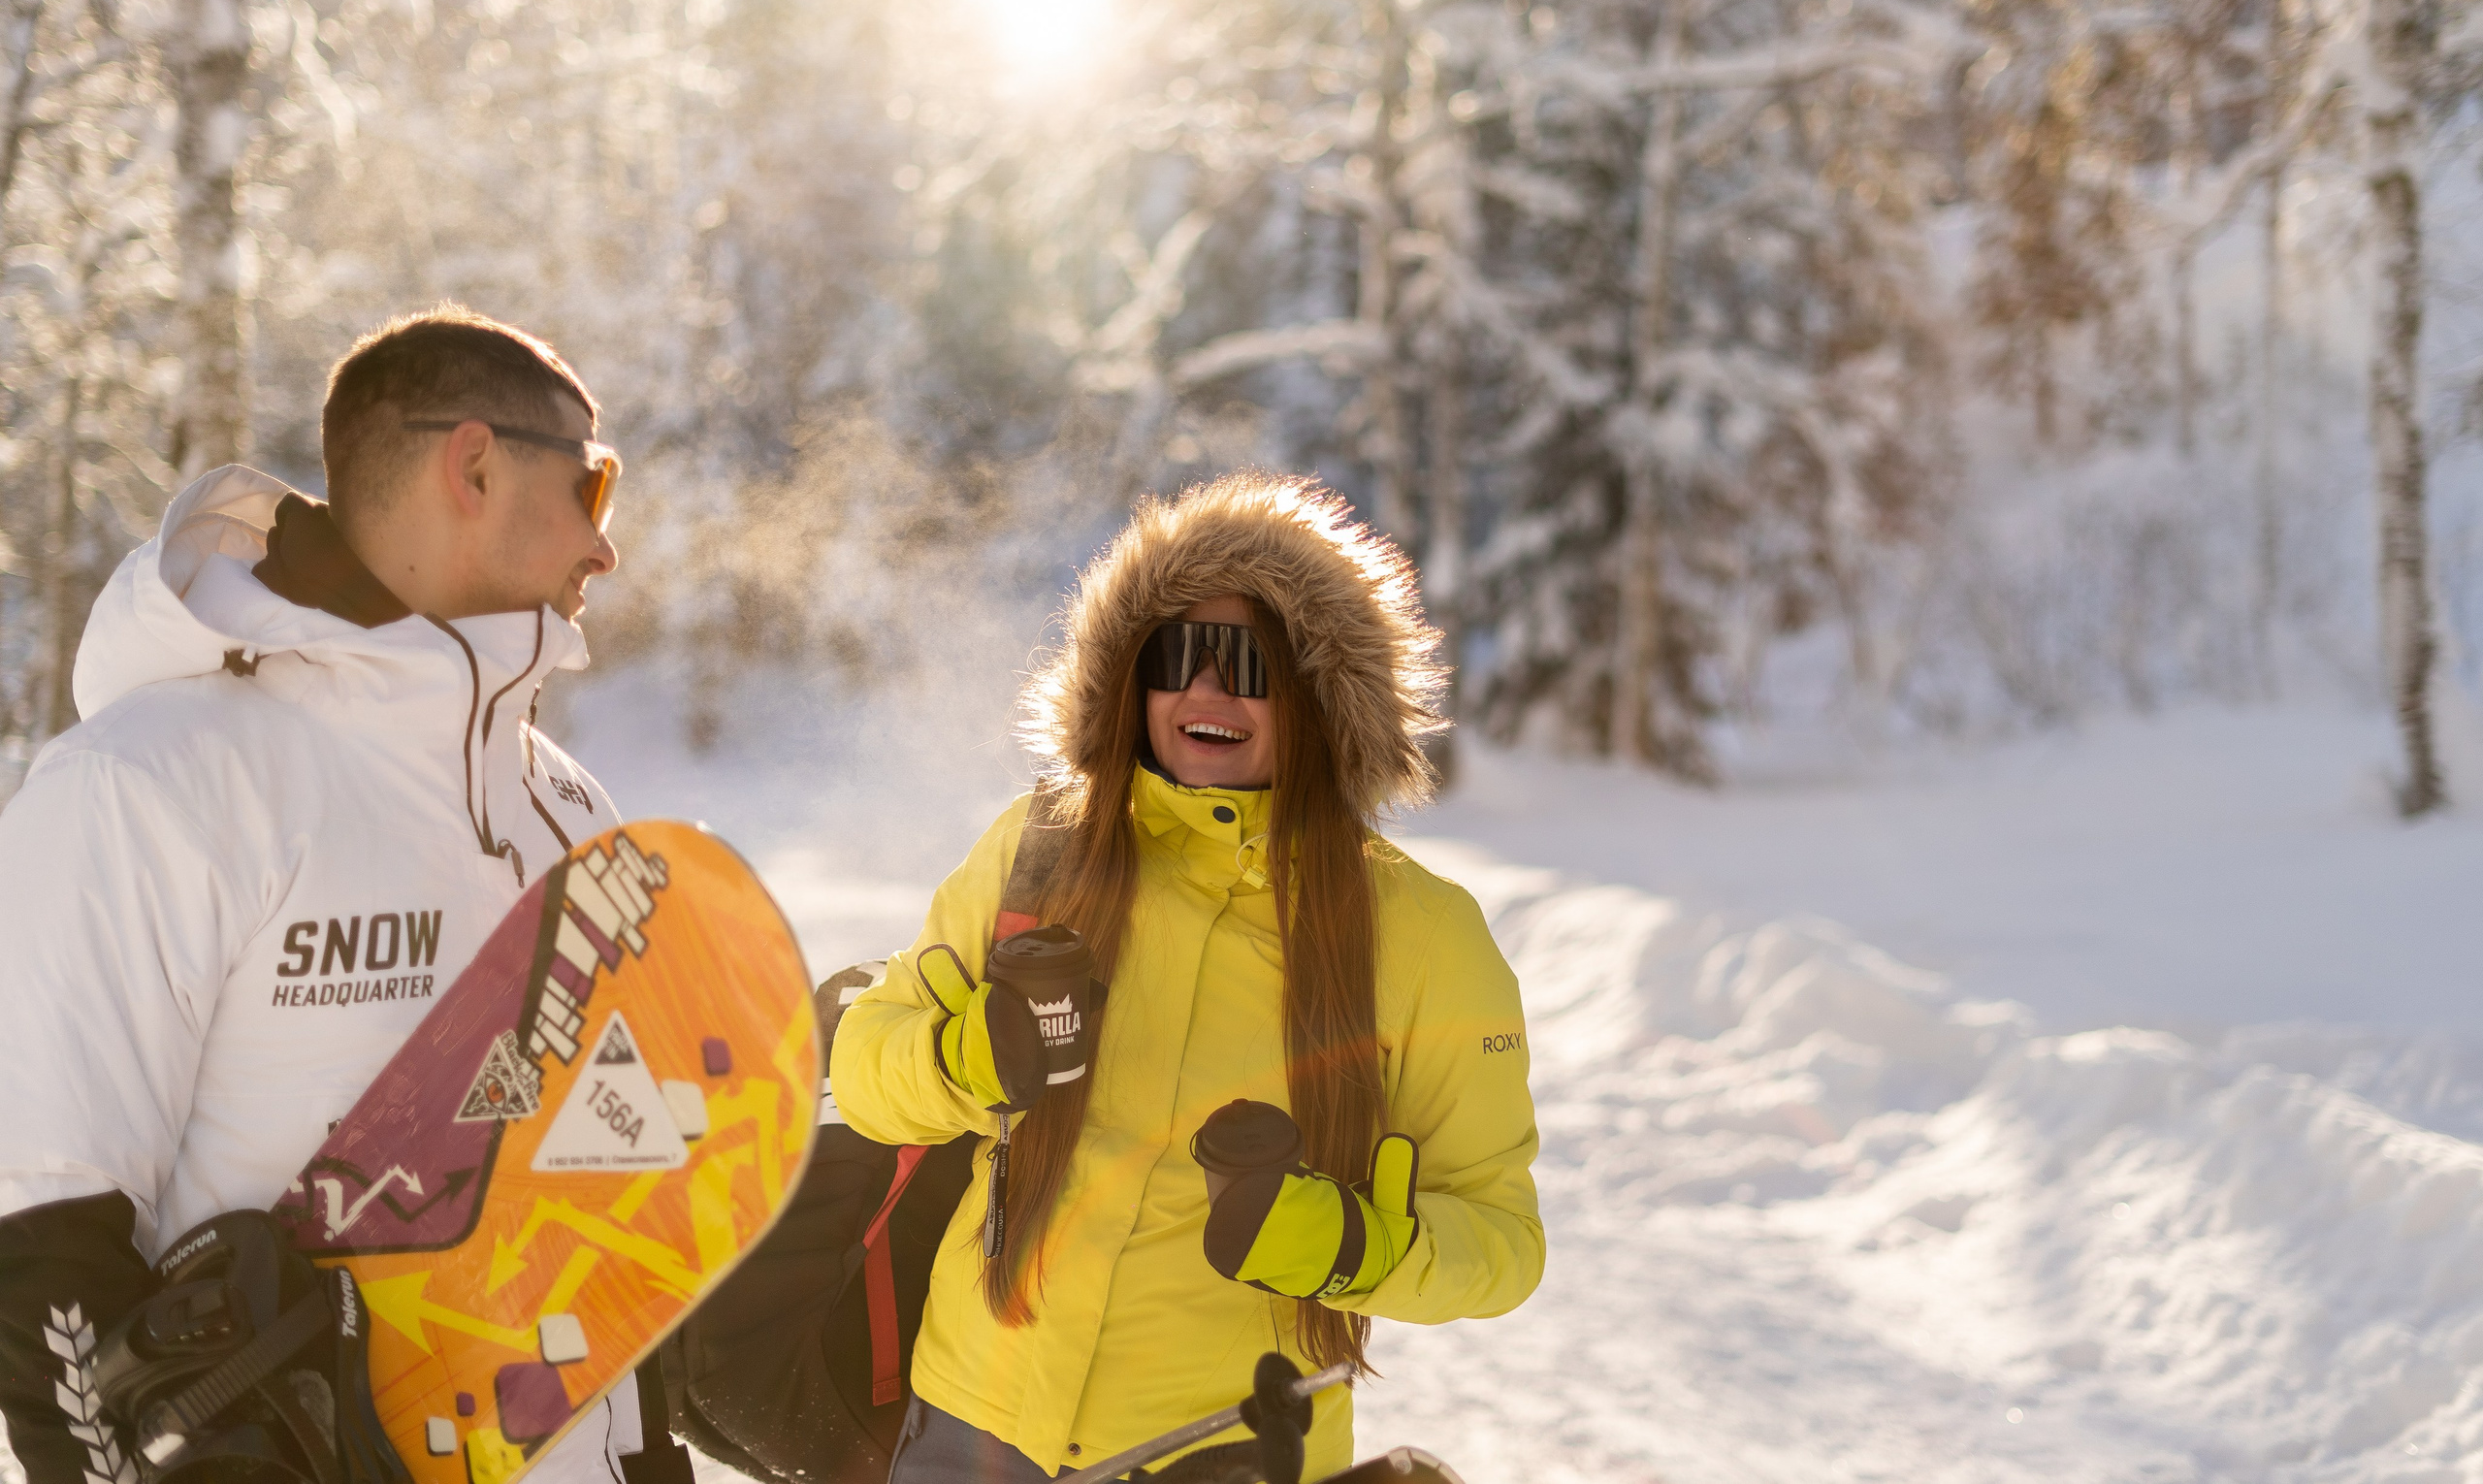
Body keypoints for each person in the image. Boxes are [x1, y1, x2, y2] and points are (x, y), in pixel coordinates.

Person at [0, 306, 661, 1484]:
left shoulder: (569, 809)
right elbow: (41, 1250)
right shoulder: (150, 782)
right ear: (475, 465)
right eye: (592, 487)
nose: (605, 547)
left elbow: (611, 1237)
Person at [831, 471, 1544, 1482]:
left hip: (1226, 1448)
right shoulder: (1041, 853)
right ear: (1133, 679)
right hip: (971, 1427)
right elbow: (864, 1072)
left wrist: (1342, 1244)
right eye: (1177, 656)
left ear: (1318, 694)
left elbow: (1503, 1241)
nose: (1208, 692)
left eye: (1249, 665)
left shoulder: (1421, 935)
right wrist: (965, 1057)